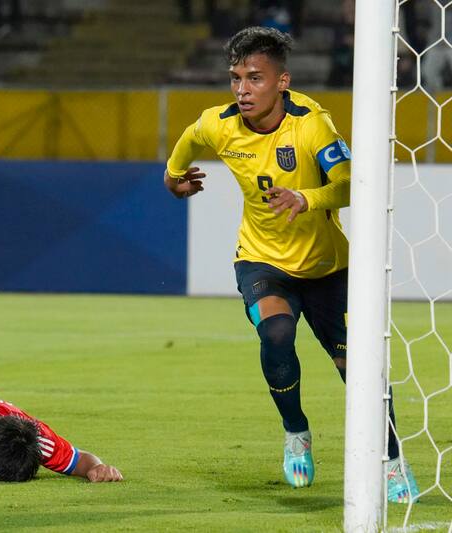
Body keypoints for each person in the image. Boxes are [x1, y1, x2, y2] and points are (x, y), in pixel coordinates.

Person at [164, 26, 419, 503]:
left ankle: (391, 460)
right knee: (276, 334)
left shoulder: (311, 124)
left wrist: (306, 197)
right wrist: (174, 179)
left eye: (254, 78)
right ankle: (296, 431)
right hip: (261, 262)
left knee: (356, 367)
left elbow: (350, 185)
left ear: (282, 81)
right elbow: (184, 148)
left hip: (327, 269)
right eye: (236, 78)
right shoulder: (218, 124)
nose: (242, 90)